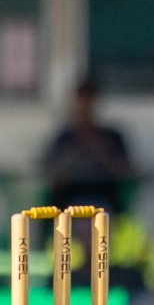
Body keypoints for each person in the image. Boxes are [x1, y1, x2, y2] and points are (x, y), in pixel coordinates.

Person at [40, 77, 135, 215]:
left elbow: (127, 172)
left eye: (88, 104)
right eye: (80, 104)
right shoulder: (64, 139)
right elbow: (50, 175)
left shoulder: (111, 137)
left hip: (105, 196)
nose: (84, 110)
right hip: (70, 198)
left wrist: (100, 150)